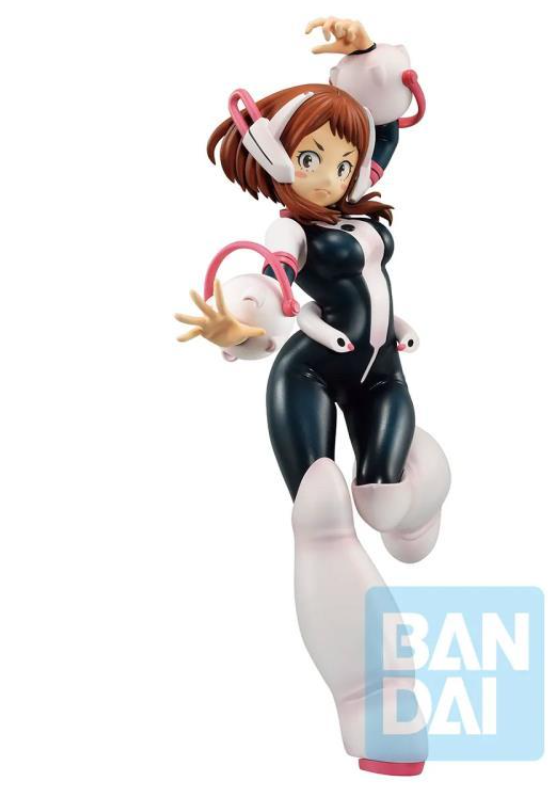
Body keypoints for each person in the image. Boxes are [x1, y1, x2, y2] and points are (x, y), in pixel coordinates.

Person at [176, 17, 450, 775]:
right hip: (307, 374)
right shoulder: (290, 229)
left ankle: (423, 496)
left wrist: (366, 57)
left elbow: (383, 125)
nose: (331, 173)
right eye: (308, 158)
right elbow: (267, 283)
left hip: (381, 372)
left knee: (389, 505)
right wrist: (240, 319)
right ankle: (372, 696)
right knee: (323, 514)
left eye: (341, 158)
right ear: (276, 163)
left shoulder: (361, 193)